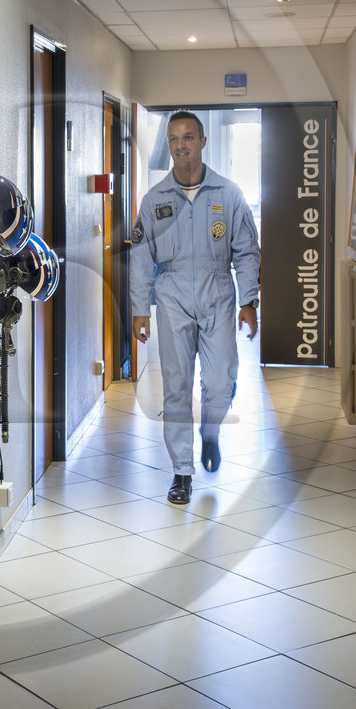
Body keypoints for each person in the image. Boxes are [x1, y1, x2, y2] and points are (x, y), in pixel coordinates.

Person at [130, 110, 260, 505]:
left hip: (218, 290)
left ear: (203, 142)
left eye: (188, 137)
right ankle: (181, 473)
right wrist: (140, 308)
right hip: (171, 295)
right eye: (173, 139)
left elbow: (247, 251)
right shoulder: (154, 200)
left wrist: (249, 299)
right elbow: (139, 257)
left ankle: (211, 431)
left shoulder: (229, 194)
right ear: (167, 145)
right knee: (176, 387)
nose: (181, 145)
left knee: (220, 384)